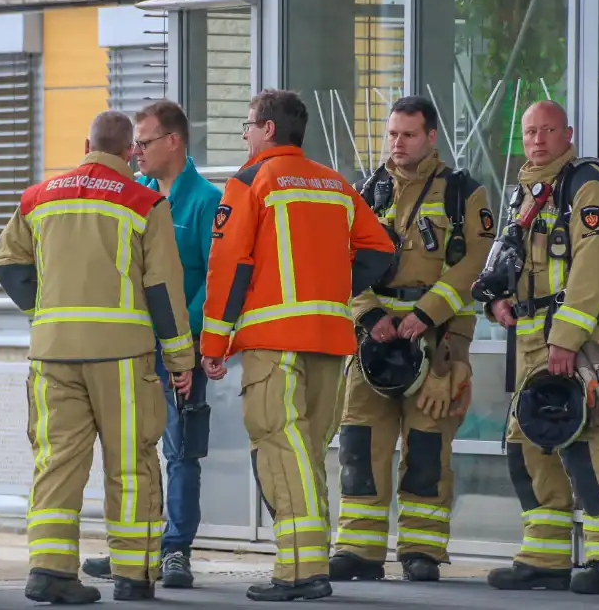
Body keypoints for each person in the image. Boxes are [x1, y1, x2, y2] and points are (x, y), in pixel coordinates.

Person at [0, 110, 196, 605]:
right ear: (130, 151)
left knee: (56, 461)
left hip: (52, 354)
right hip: (122, 358)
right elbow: (163, 289)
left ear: (87, 144)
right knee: (131, 464)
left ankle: (49, 570)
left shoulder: (38, 197)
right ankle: (133, 574)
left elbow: (6, 263)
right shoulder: (145, 202)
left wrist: (46, 310)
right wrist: (179, 360)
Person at [200, 89, 395, 602]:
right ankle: (310, 563)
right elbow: (380, 250)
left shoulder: (250, 182)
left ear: (267, 129)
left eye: (247, 124)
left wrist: (214, 341)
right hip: (330, 339)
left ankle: (299, 571)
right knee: (306, 453)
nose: (244, 134)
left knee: (281, 450)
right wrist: (331, 287)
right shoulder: (334, 183)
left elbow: (230, 267)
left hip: (274, 342)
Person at [329, 96, 494, 582]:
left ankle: (421, 550)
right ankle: (358, 549)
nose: (397, 144)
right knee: (360, 442)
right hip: (373, 344)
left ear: (431, 137)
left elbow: (474, 262)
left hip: (436, 343)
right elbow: (343, 258)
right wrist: (368, 313)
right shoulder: (365, 192)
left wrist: (427, 312)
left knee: (426, 449)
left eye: (408, 135)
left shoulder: (464, 192)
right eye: (392, 134)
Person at [484, 100, 599, 595]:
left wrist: (565, 339)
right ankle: (545, 557)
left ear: (567, 133)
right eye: (529, 131)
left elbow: (592, 269)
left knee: (592, 449)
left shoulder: (586, 186)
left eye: (548, 130)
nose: (538, 139)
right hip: (531, 340)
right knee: (525, 443)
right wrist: (498, 304)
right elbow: (513, 261)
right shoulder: (526, 192)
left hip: (582, 342)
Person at [81, 100, 221, 589]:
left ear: (174, 141)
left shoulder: (205, 200)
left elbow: (214, 278)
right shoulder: (133, 194)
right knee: (133, 452)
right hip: (133, 350)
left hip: (181, 350)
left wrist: (191, 341)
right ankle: (135, 547)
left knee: (181, 451)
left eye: (143, 142)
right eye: (134, 142)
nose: (135, 151)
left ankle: (176, 549)